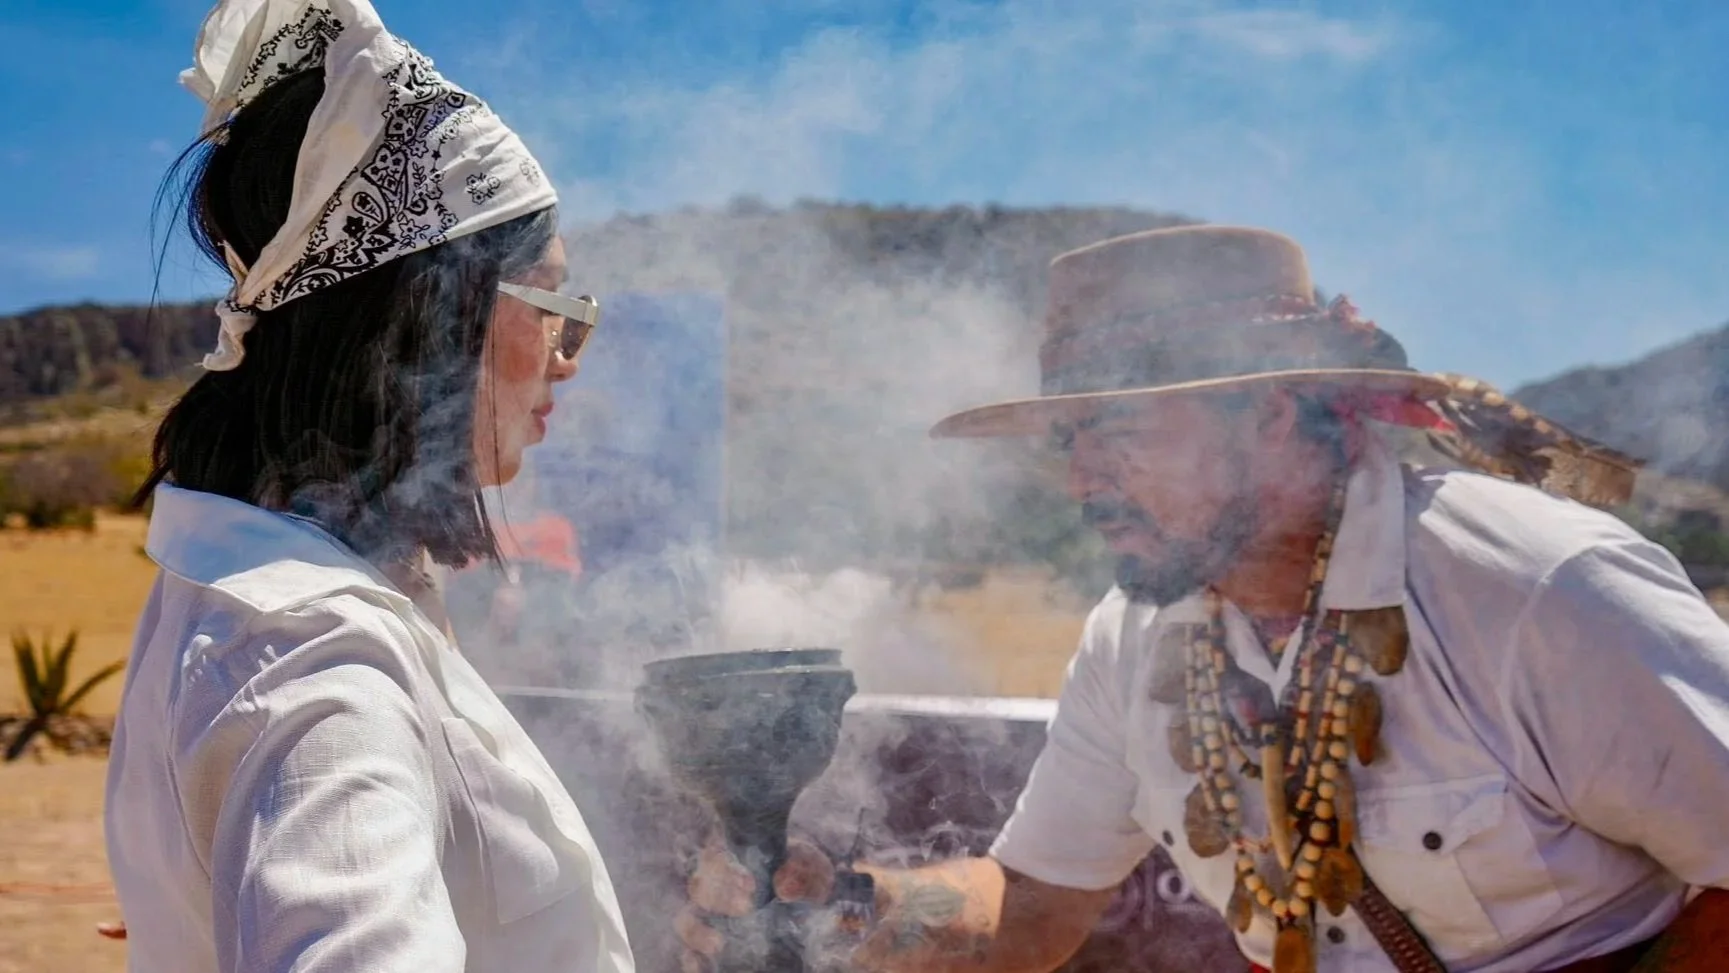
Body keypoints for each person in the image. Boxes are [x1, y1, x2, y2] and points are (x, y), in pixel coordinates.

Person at [678, 225, 1729, 972]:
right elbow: (1033, 906)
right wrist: (845, 911)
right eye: (1069, 441)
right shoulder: (1134, 636)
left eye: (1122, 434)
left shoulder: (1537, 590)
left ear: (1270, 414)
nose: (1083, 481)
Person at [102, 2, 632, 971]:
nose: (569, 358)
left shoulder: (260, 591)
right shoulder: (316, 663)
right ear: (427, 315)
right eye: (556, 305)